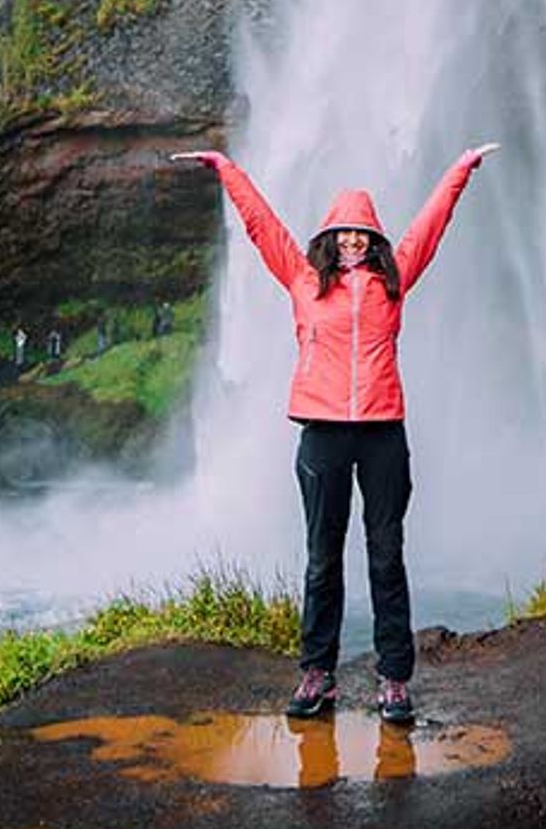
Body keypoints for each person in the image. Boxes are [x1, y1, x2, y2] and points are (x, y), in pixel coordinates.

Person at [172, 140, 498, 728]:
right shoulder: (302, 278)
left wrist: (461, 169)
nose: (352, 242)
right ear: (330, 236)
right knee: (322, 558)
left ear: (373, 239)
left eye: (362, 234)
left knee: (386, 554)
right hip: (322, 431)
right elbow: (261, 225)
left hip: (380, 433)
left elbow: (432, 223)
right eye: (344, 233)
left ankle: (394, 680)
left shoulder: (393, 280)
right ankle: (316, 672)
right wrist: (226, 169)